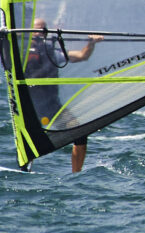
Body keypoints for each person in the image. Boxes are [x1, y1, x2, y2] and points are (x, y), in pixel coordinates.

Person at [23, 18, 103, 171]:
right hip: (28, 107)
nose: (40, 33)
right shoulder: (20, 52)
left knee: (79, 131)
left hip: (53, 106)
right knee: (28, 138)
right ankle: (24, 167)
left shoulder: (51, 52)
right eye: (37, 30)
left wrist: (91, 43)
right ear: (28, 32)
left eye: (44, 30)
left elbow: (81, 56)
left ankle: (76, 173)